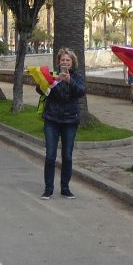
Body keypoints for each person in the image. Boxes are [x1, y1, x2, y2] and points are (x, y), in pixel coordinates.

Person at [37, 47, 86, 200]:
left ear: (72, 62)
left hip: (70, 120)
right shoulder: (52, 76)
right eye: (62, 60)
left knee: (67, 156)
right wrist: (54, 81)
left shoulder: (77, 77)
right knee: (50, 155)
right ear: (58, 62)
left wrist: (69, 81)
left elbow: (81, 91)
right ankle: (48, 189)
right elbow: (40, 89)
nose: (65, 62)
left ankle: (65, 188)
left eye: (68, 60)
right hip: (52, 119)